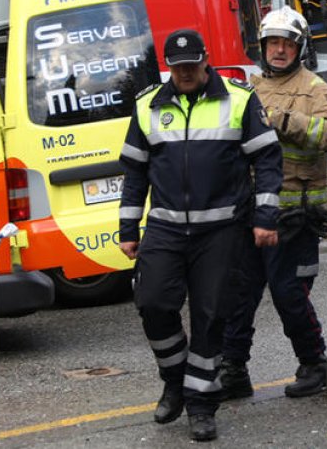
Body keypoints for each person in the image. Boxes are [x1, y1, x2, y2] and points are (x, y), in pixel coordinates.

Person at [118, 29, 282, 442]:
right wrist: (127, 228)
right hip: (166, 228)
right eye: (178, 66)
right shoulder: (147, 107)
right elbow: (135, 172)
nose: (186, 72)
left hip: (222, 230)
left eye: (192, 64)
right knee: (152, 302)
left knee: (211, 319)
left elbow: (267, 159)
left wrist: (265, 217)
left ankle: (201, 406)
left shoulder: (239, 100)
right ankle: (174, 379)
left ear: (205, 60)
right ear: (168, 68)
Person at [220, 7, 327, 401]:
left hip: (296, 216)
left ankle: (314, 364)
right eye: (272, 43)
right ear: (262, 47)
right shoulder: (250, 90)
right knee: (240, 293)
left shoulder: (315, 89)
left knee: (288, 293)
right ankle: (233, 371)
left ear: (299, 48)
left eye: (287, 43)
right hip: (252, 213)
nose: (279, 50)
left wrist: (289, 121)